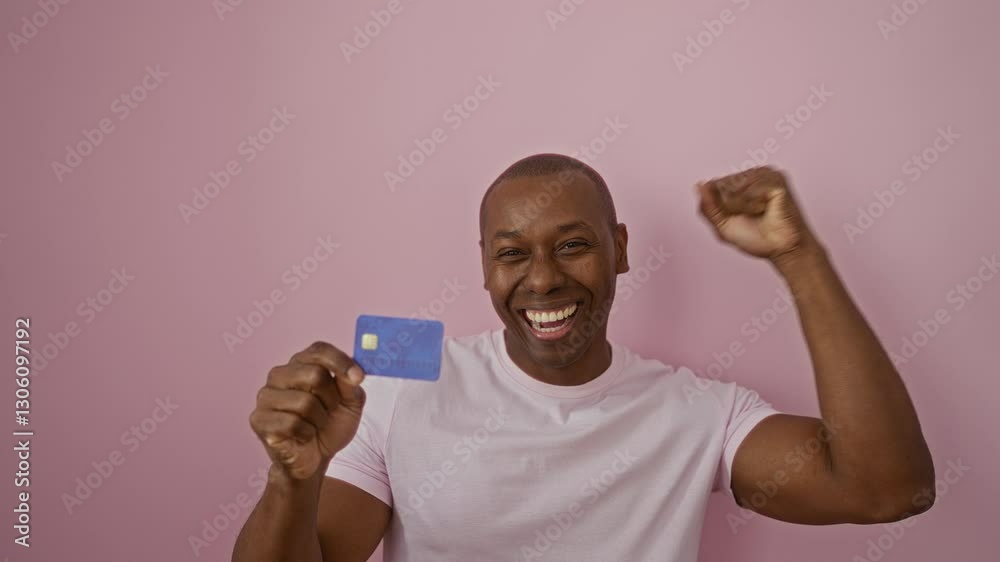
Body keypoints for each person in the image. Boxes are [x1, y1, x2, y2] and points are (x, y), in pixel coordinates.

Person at [233, 154, 935, 562]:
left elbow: (887, 490)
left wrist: (797, 257)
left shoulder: (699, 415)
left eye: (572, 244)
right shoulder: (396, 396)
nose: (541, 280)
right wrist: (294, 478)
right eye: (512, 254)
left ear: (620, 249)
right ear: (485, 269)